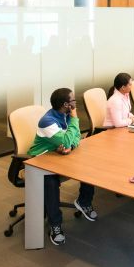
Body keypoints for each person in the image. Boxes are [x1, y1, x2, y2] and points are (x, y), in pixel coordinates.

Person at [28, 88, 97, 245]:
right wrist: (73, 122)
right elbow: (67, 139)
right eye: (73, 101)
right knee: (50, 182)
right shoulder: (47, 121)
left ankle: (84, 202)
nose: (75, 103)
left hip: (59, 156)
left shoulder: (65, 115)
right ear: (66, 104)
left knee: (89, 165)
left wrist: (70, 146)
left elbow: (76, 137)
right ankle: (55, 225)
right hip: (40, 159)